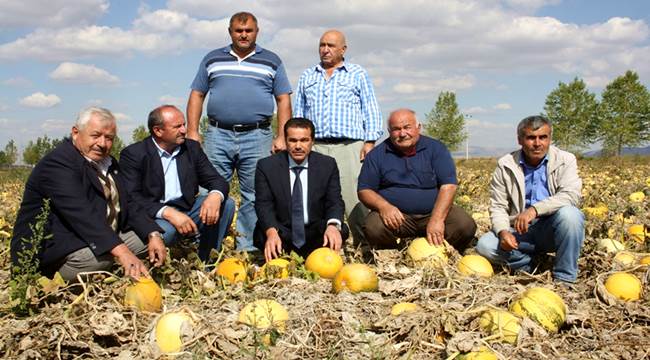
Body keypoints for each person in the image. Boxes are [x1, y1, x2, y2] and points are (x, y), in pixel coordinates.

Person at [11, 107, 165, 281]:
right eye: (95, 135)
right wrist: (122, 252)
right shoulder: (58, 164)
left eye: (109, 138)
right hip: (58, 246)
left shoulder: (108, 162)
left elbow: (128, 202)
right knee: (98, 261)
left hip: (96, 236)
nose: (102, 143)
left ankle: (117, 264)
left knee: (150, 241)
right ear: (76, 133)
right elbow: (82, 215)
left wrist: (153, 234)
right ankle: (50, 278)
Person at [186, 11, 292, 252]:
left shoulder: (272, 60)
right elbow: (197, 94)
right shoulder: (212, 59)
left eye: (248, 31)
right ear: (230, 32)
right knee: (209, 192)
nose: (243, 35)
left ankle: (247, 250)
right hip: (217, 134)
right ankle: (205, 248)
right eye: (238, 31)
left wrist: (281, 136)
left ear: (257, 32)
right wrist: (193, 131)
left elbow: (283, 100)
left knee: (255, 194)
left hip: (257, 135)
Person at [293, 29, 382, 236]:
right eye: (322, 45)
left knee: (354, 196)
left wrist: (369, 142)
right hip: (316, 146)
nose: (325, 50)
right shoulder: (308, 75)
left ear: (343, 49)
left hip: (349, 145)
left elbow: (370, 107)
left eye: (331, 46)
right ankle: (321, 243)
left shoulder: (357, 74)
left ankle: (363, 245)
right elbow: (299, 113)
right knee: (316, 196)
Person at [475, 115, 584, 283]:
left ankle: (565, 278)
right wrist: (503, 232)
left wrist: (534, 210)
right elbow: (498, 206)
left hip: (552, 229)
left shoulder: (565, 160)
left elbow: (571, 195)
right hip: (519, 232)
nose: (537, 143)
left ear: (550, 139)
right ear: (520, 140)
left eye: (543, 137)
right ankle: (531, 264)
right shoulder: (506, 165)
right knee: (485, 246)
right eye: (531, 138)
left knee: (571, 215)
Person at [120, 105, 235, 262]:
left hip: (188, 208)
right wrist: (168, 212)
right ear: (158, 131)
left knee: (226, 204)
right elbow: (132, 197)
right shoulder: (134, 154)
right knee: (167, 232)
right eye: (177, 126)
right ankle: (156, 267)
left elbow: (216, 179)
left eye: (184, 125)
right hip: (156, 215)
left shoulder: (191, 148)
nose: (184, 130)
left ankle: (207, 261)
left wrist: (215, 195)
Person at [357, 109, 476, 252]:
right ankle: (392, 253)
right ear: (389, 131)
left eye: (407, 127)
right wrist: (384, 207)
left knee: (464, 224)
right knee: (373, 226)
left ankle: (443, 252)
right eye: (396, 129)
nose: (402, 133)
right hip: (398, 218)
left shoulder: (436, 149)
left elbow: (449, 186)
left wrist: (437, 219)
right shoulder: (377, 154)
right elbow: (364, 190)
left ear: (418, 127)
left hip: (432, 212)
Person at [254, 118, 350, 262]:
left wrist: (332, 226)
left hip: (315, 233)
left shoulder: (327, 165)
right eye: (292, 140)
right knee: (261, 232)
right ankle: (278, 254)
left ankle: (319, 257)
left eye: (304, 140)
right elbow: (263, 204)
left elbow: (334, 201)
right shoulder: (267, 166)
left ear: (312, 141)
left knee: (340, 228)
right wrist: (272, 233)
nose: (298, 146)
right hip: (283, 232)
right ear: (285, 141)